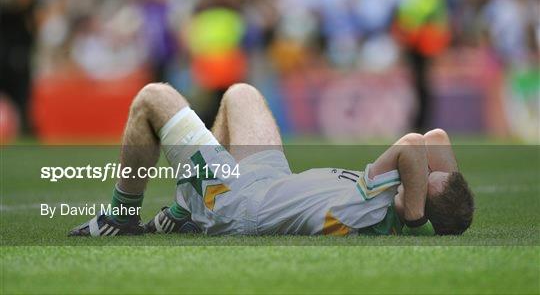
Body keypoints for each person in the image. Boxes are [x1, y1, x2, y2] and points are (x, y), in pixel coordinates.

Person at [69, 83, 474, 237]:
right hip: (271, 182)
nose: (427, 169)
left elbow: (411, 145)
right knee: (241, 94)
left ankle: (120, 218)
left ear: (419, 205)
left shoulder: (382, 212)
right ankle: (184, 211)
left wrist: (419, 213)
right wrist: (437, 197)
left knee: (152, 99)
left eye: (428, 177)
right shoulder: (410, 205)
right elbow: (434, 138)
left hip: (239, 203)